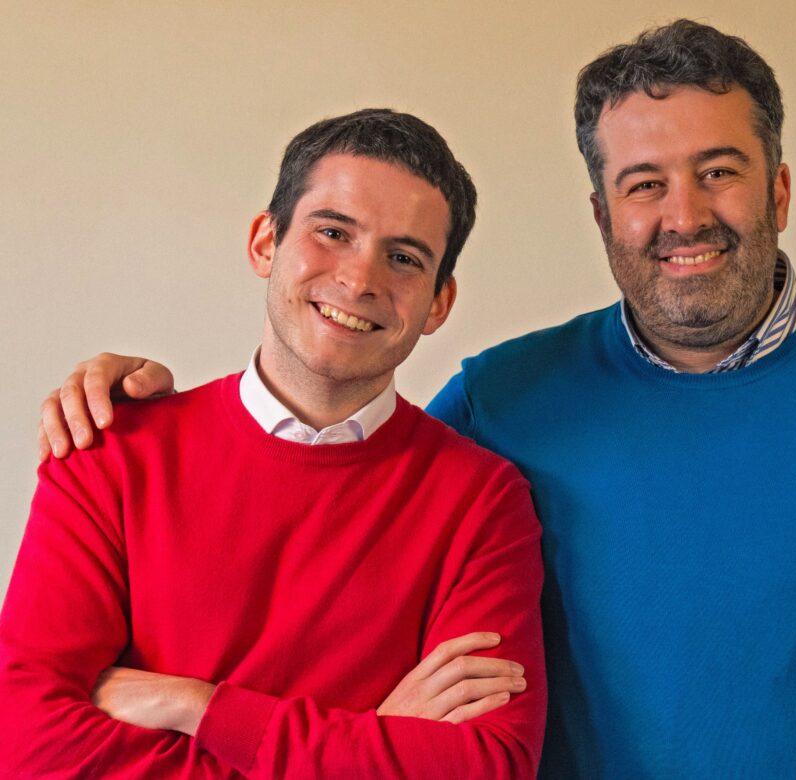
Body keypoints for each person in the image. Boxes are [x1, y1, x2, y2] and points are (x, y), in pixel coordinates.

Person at [35, 19, 796, 778]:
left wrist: (202, 709)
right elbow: (329, 459)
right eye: (643, 184)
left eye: (718, 172)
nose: (682, 215)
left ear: (779, 191)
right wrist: (138, 405)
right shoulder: (501, 400)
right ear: (602, 215)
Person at [3, 109, 547, 778]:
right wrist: (371, 741)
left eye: (404, 258)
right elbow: (27, 746)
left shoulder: (483, 502)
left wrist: (196, 705)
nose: (360, 280)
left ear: (438, 302)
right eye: (333, 232)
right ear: (266, 242)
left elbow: (489, 766)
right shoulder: (110, 449)